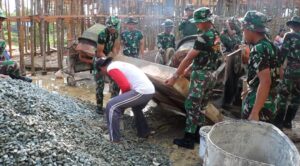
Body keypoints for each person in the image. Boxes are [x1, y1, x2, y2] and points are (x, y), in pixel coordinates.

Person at [165, 7, 221, 149]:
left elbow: (188, 57)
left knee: (191, 106)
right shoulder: (215, 34)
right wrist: (189, 69)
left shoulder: (203, 37)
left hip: (201, 76)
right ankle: (198, 134)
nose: (196, 25)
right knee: (202, 106)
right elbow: (206, 55)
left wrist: (175, 76)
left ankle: (188, 139)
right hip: (212, 75)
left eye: (198, 22)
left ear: (207, 21)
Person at [95, 57, 155, 142]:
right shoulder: (117, 64)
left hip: (141, 91)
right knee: (136, 107)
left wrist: (120, 106)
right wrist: (121, 103)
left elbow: (125, 86)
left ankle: (113, 137)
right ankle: (143, 132)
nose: (104, 74)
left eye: (102, 73)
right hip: (149, 91)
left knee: (111, 105)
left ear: (101, 68)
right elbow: (124, 88)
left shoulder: (111, 68)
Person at [240, 11, 280, 122]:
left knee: (251, 137)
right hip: (270, 101)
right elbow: (279, 73)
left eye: (244, 30)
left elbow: (265, 81)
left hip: (259, 105)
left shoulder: (258, 49)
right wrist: (252, 88)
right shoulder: (270, 45)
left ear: (250, 29)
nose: (243, 33)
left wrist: (255, 112)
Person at [273, 16, 300, 129]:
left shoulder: (289, 35)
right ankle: (288, 122)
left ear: (292, 25)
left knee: (282, 96)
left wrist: (280, 67)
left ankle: (278, 123)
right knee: (296, 97)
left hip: (291, 71)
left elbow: (283, 52)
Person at [94, 16, 120, 114]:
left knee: (116, 81)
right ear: (108, 27)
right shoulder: (102, 34)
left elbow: (113, 47)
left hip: (108, 58)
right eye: (110, 28)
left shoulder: (115, 33)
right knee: (100, 84)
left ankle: (113, 104)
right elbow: (99, 52)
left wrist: (115, 57)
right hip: (100, 60)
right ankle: (99, 107)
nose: (112, 30)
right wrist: (108, 61)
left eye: (114, 28)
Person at [0, 8, 31, 82]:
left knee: (13, 64)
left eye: (0, 24)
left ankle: (16, 80)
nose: (0, 27)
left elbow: (7, 59)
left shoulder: (1, 43)